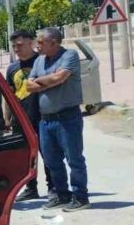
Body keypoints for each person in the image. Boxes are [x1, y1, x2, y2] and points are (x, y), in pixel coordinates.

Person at [27, 27, 89, 212]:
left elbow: (59, 78)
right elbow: (29, 86)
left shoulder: (69, 56)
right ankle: (62, 194)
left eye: (40, 42)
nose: (37, 46)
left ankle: (80, 197)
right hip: (46, 121)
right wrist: (48, 81)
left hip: (68, 117)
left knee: (74, 159)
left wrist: (43, 82)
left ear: (53, 42)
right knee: (51, 161)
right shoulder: (38, 61)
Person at [6, 30, 53, 201]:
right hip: (21, 120)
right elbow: (9, 94)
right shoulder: (12, 68)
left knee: (47, 154)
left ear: (31, 42)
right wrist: (8, 117)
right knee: (26, 157)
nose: (16, 49)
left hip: (42, 116)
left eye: (19, 45)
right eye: (13, 46)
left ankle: (53, 187)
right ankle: (30, 188)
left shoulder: (42, 62)